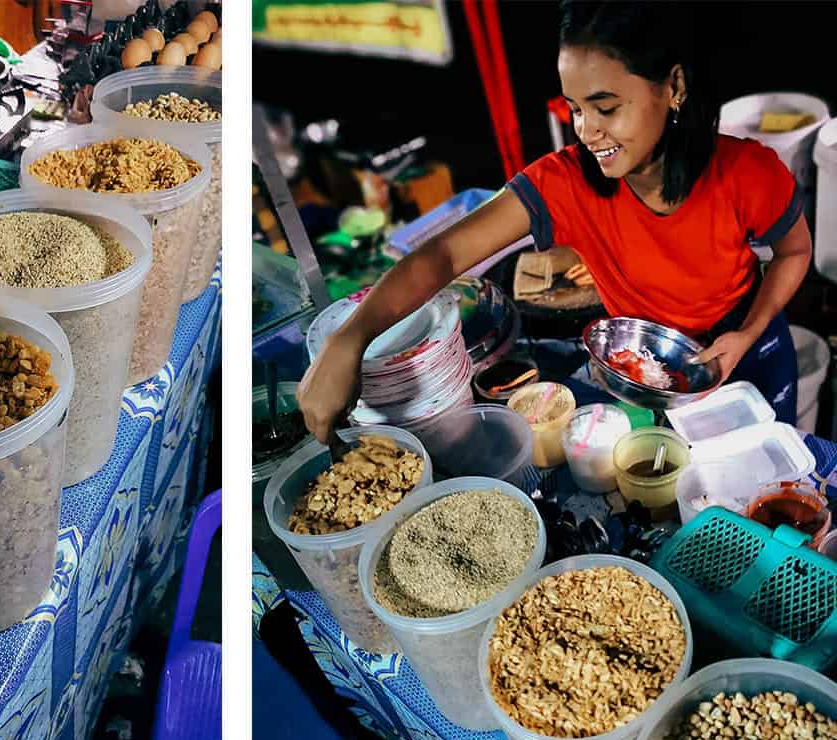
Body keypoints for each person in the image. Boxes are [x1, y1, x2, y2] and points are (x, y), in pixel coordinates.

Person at [297, 0, 813, 442]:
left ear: (672, 86)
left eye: (605, 107)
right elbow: (444, 255)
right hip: (649, 372)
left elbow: (794, 252)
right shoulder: (564, 184)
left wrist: (749, 331)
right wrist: (350, 340)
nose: (587, 131)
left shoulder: (747, 173)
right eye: (574, 109)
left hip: (748, 355)